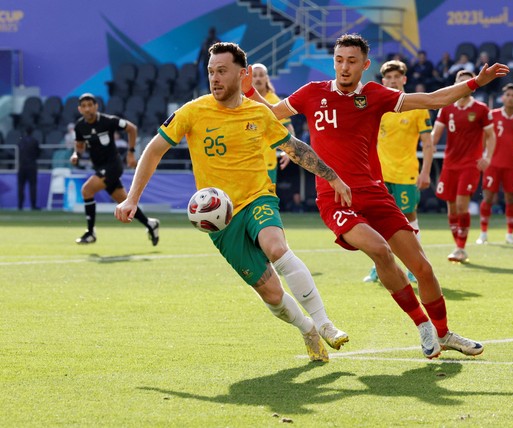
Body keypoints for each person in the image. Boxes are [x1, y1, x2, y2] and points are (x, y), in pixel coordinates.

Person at [243, 33, 509, 359]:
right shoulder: (313, 93)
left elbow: (432, 100)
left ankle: (444, 333)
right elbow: (271, 113)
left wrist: (475, 84)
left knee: (422, 268)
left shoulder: (374, 94)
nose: (344, 67)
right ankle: (422, 325)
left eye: (352, 61)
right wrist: (247, 89)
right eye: (339, 60)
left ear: (365, 65)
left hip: (375, 192)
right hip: (334, 197)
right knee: (380, 250)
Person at [115, 42, 351, 363]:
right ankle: (307, 328)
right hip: (221, 220)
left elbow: (294, 147)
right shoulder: (192, 112)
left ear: (243, 75)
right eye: (211, 71)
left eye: (222, 71)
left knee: (277, 248)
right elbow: (155, 149)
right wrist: (132, 198)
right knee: (271, 295)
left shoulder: (259, 113)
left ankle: (325, 324)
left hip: (258, 199)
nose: (215, 78)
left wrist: (332, 176)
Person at [362, 59, 434, 284]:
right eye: (388, 78)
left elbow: (428, 144)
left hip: (406, 173)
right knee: (377, 221)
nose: (392, 81)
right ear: (383, 80)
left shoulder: (416, 107)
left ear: (404, 79)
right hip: (380, 175)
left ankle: (414, 266)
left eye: (396, 77)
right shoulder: (377, 105)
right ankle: (379, 266)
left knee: (409, 219)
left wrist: (426, 172)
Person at [71, 93, 159, 245]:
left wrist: (131, 153)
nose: (87, 109)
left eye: (90, 105)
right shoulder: (80, 126)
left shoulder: (108, 121)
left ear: (96, 106)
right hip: (99, 167)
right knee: (125, 202)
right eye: (84, 106)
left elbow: (132, 128)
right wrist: (76, 155)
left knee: (87, 190)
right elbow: (79, 146)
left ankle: (91, 233)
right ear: (80, 109)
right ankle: (150, 224)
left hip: (113, 166)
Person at [430, 69, 496, 262]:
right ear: (455, 85)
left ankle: (460, 247)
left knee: (461, 205)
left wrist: (488, 156)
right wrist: (430, 147)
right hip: (450, 164)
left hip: (470, 164)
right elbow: (436, 133)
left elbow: (491, 136)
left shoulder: (482, 109)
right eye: (461, 81)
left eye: (468, 81)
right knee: (451, 208)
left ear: (473, 86)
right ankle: (457, 246)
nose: (464, 84)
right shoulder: (447, 108)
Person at [476, 83, 513, 245]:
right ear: (502, 98)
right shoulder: (492, 115)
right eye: (507, 95)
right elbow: (482, 137)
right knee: (488, 197)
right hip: (492, 164)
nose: (510, 98)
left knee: (511, 198)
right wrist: (480, 155)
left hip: (511, 165)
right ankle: (483, 233)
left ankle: (510, 234)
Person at [251, 63, 295, 184]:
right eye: (254, 75)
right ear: (249, 79)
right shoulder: (243, 100)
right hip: (246, 163)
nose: (258, 78)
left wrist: (289, 150)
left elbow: (288, 127)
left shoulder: (274, 101)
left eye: (261, 75)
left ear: (266, 78)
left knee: (267, 199)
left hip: (267, 163)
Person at [17, 126, 40, 211]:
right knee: (33, 186)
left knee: (20, 186)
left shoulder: (21, 141)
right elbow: (38, 153)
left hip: (22, 166)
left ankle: (20, 205)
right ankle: (33, 205)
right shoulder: (35, 141)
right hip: (31, 166)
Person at [196, 27, 221, 91]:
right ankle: (211, 90)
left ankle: (213, 90)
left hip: (212, 62)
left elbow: (221, 52)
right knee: (209, 77)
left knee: (213, 77)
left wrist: (198, 62)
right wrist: (198, 62)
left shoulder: (216, 41)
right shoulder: (207, 42)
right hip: (209, 62)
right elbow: (201, 52)